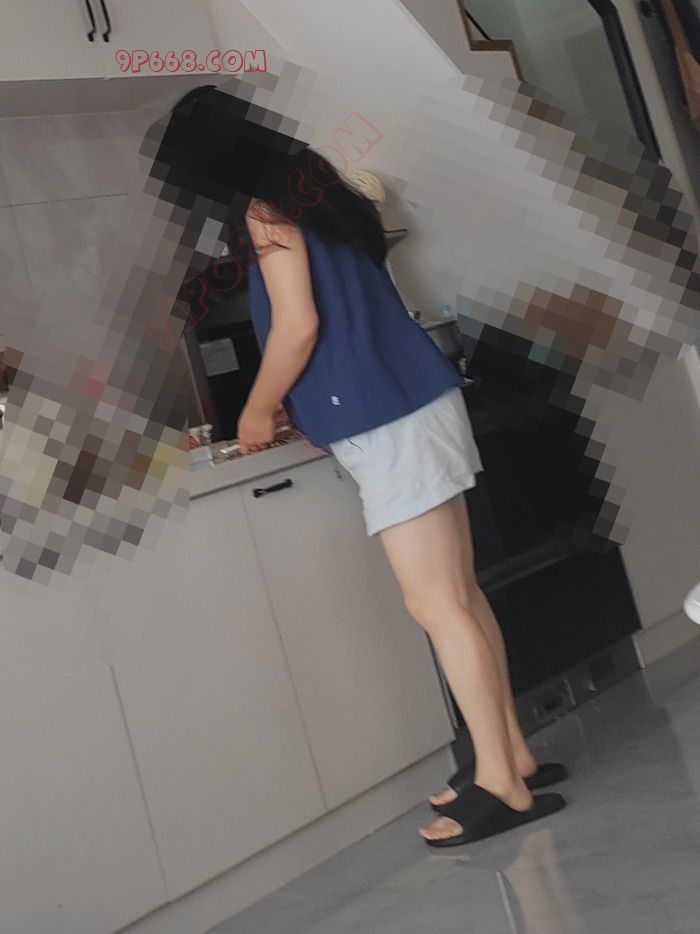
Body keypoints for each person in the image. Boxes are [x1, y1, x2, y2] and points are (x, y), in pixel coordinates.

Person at [235, 144, 567, 846]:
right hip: (414, 399)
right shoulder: (324, 197)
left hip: (384, 419)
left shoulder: (266, 211)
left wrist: (259, 408)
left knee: (438, 605)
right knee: (460, 597)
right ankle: (510, 757)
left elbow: (298, 326)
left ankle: (501, 786)